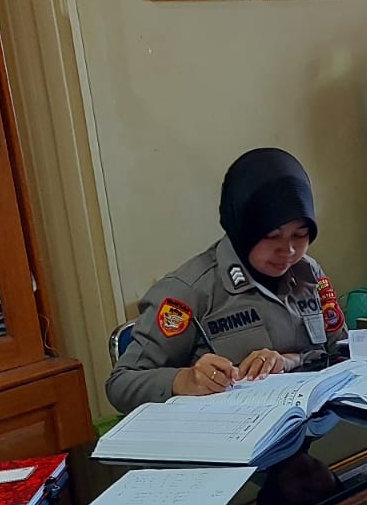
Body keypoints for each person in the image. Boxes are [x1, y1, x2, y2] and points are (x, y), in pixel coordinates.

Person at [106, 149, 344, 411]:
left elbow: (339, 352)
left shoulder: (308, 273)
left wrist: (290, 361)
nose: (288, 250)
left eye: (300, 235)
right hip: (229, 429)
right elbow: (121, 384)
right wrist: (184, 380)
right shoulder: (187, 292)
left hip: (304, 423)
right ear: (243, 229)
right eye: (272, 236)